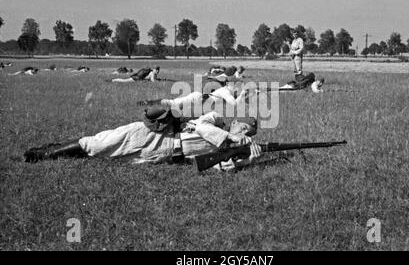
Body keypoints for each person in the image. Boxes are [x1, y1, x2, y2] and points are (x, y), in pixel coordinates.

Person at [23, 108, 261, 171]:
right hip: (154, 134)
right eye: (245, 129)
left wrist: (246, 161)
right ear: (238, 123)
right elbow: (201, 127)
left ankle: (59, 153)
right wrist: (232, 139)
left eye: (248, 135)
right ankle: (43, 154)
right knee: (99, 144)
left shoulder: (235, 147)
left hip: (165, 155)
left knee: (105, 160)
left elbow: (218, 167)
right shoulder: (218, 120)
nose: (245, 134)